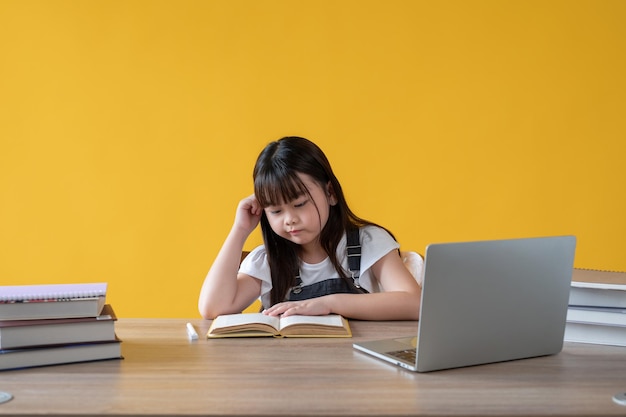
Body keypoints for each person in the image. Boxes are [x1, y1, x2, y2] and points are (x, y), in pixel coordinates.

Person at [198, 136, 421, 320]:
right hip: (290, 370)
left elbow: (414, 303)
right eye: (276, 211)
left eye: (299, 204)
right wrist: (240, 231)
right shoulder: (269, 260)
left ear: (330, 193)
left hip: (357, 368)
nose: (289, 219)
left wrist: (328, 304)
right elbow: (213, 308)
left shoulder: (368, 243)